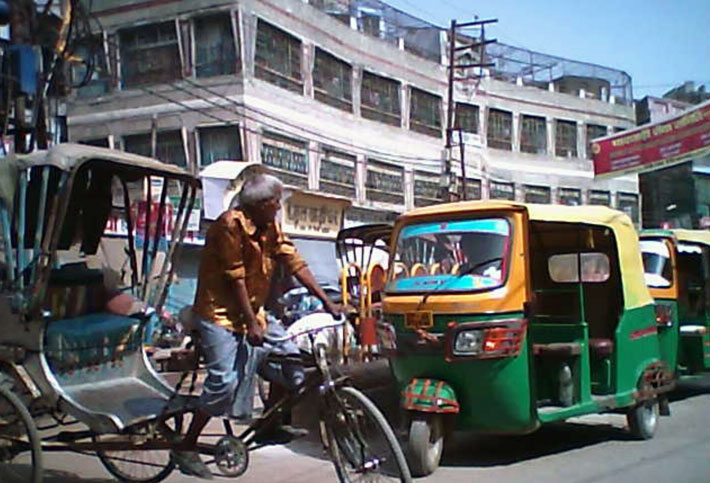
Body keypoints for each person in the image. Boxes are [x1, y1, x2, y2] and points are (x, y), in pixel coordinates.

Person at [171, 173, 341, 479]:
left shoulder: (269, 226)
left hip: (256, 312)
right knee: (223, 382)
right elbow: (234, 277)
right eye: (275, 203)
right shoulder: (229, 225)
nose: (278, 209)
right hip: (219, 314)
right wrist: (250, 323)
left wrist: (328, 302)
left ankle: (270, 425)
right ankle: (187, 445)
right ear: (262, 204)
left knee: (294, 360)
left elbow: (294, 262)